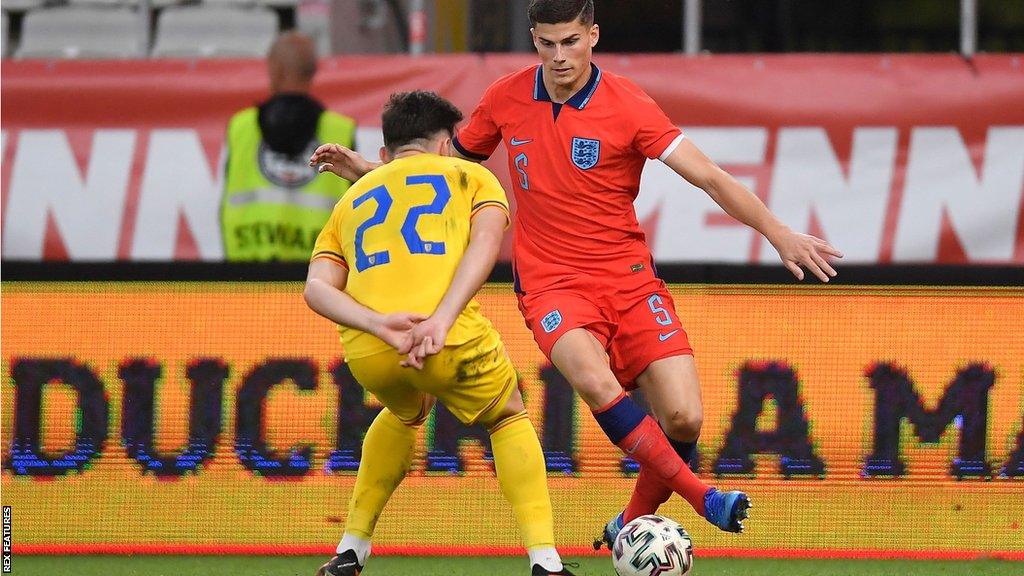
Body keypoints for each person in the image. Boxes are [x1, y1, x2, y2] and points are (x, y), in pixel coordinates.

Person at [310, 0, 843, 551]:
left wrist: (780, 233)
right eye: (547, 44)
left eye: (570, 42)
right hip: (550, 285)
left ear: (592, 36)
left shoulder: (629, 104)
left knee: (683, 418)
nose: (559, 57)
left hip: (630, 281)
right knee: (595, 382)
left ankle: (628, 523)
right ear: (534, 40)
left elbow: (708, 176)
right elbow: (442, 174)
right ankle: (703, 496)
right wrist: (369, 173)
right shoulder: (505, 98)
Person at [304, 90, 575, 576]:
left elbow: (316, 291)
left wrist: (380, 326)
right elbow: (484, 249)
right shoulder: (474, 176)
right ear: (448, 145)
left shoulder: (350, 202)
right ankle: (545, 561)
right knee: (508, 413)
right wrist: (439, 322)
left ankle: (350, 548)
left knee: (405, 410)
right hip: (443, 336)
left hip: (372, 349)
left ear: (386, 153)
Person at [221, 31, 356, 261]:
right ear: (312, 72)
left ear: (274, 69)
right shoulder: (340, 131)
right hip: (318, 274)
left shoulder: (240, 126)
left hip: (247, 272)